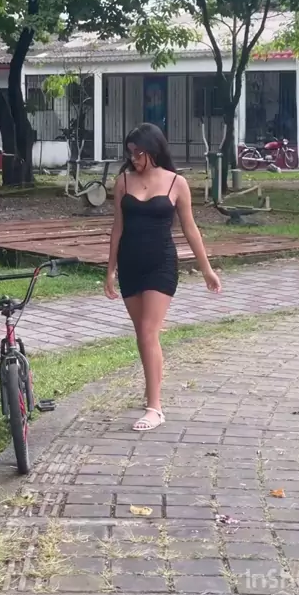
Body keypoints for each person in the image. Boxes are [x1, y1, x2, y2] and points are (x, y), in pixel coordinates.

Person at [105, 122, 221, 432]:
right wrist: (110, 270)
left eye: (138, 153)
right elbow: (117, 228)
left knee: (148, 331)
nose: (133, 159)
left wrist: (206, 269)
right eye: (130, 153)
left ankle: (154, 408)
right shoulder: (123, 182)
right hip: (130, 264)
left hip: (161, 264)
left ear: (154, 150)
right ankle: (152, 390)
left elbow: (191, 229)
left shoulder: (176, 183)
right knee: (143, 335)